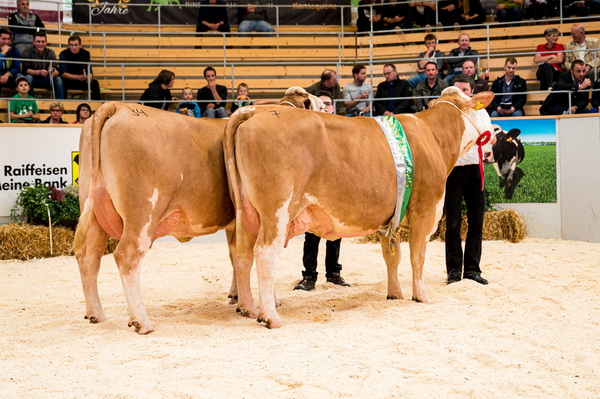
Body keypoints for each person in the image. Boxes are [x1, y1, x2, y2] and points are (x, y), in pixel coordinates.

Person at [294, 90, 349, 291]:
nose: (325, 107)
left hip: (336, 184)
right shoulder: (309, 131)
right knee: (311, 232)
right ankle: (309, 276)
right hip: (314, 187)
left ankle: (334, 274)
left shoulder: (341, 128)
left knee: (335, 231)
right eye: (322, 103)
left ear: (333, 106)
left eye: (328, 103)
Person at [445, 74, 495, 285]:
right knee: (452, 223)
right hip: (452, 170)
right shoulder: (446, 112)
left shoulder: (480, 111)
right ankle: (454, 271)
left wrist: (481, 137)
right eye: (456, 90)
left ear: (472, 92)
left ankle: (473, 270)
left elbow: (491, 137)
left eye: (464, 90)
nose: (460, 94)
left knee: (477, 222)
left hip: (475, 168)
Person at [21, 31, 64, 99]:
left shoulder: (50, 52)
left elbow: (56, 69)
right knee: (28, 78)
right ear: (33, 42)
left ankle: (60, 105)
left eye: (43, 41)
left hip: (46, 78)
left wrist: (53, 73)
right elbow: (26, 70)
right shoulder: (27, 51)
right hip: (33, 78)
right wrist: (39, 72)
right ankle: (31, 104)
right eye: (38, 41)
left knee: (58, 79)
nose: (41, 44)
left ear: (46, 42)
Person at [59, 35, 101, 100]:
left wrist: (89, 77)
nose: (73, 47)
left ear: (80, 45)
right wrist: (78, 77)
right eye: (71, 45)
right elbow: (63, 73)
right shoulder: (64, 54)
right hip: (68, 81)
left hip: (80, 80)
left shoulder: (85, 54)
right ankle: (63, 106)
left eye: (76, 45)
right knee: (61, 82)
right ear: (68, 46)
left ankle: (97, 107)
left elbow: (88, 70)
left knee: (94, 83)